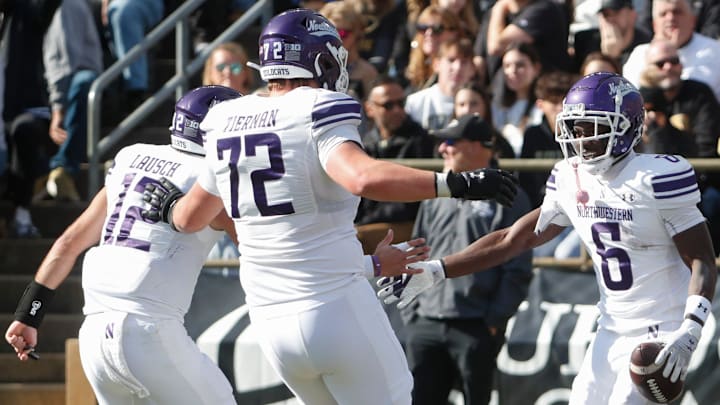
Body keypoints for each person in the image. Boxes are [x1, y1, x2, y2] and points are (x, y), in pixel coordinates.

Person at [139, 9, 518, 405]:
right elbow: (362, 177)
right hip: (335, 309)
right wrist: (456, 183)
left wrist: (167, 205)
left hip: (270, 321)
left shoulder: (225, 117)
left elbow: (187, 217)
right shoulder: (317, 106)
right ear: (319, 58)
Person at [379, 72, 717, 404]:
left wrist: (690, 328)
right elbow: (512, 239)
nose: (581, 139)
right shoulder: (570, 177)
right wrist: (439, 269)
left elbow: (701, 257)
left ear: (627, 127)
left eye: (594, 128)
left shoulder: (657, 177)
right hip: (610, 327)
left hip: (660, 329)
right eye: (575, 127)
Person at [5, 86, 244, 405]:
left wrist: (29, 314)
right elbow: (253, 243)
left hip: (93, 335)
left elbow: (68, 242)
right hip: (149, 331)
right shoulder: (209, 177)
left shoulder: (133, 159)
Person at [403, 113, 533, 405]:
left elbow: (518, 268)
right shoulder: (436, 193)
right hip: (426, 322)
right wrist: (413, 316)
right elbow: (416, 251)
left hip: (475, 325)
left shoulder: (508, 194)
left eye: (450, 141)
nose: (442, 149)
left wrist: (493, 321)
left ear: (481, 146)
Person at [43, 0, 104, 202]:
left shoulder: (66, 6)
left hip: (75, 86)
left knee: (82, 83)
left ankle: (64, 169)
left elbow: (63, 63)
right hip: (50, 87)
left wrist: (58, 110)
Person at [355, 75, 435, 226]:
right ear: (369, 109)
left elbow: (409, 202)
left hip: (404, 226)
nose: (397, 110)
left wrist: (363, 225)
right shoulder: (365, 143)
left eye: (401, 103)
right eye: (388, 105)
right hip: (366, 226)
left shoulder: (420, 141)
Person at [623, 0, 720, 102]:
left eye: (677, 12)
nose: (670, 18)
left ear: (693, 20)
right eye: (663, 14)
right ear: (654, 24)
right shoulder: (639, 55)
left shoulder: (715, 52)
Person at [405, 37, 477, 132]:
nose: (457, 67)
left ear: (473, 69)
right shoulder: (415, 103)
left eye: (464, 62)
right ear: (436, 65)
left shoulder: (482, 104)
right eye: (451, 60)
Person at [572, 0, 651, 72]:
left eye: (616, 13)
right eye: (606, 15)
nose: (611, 19)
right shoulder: (585, 41)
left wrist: (614, 58)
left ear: (632, 15)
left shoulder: (645, 45)